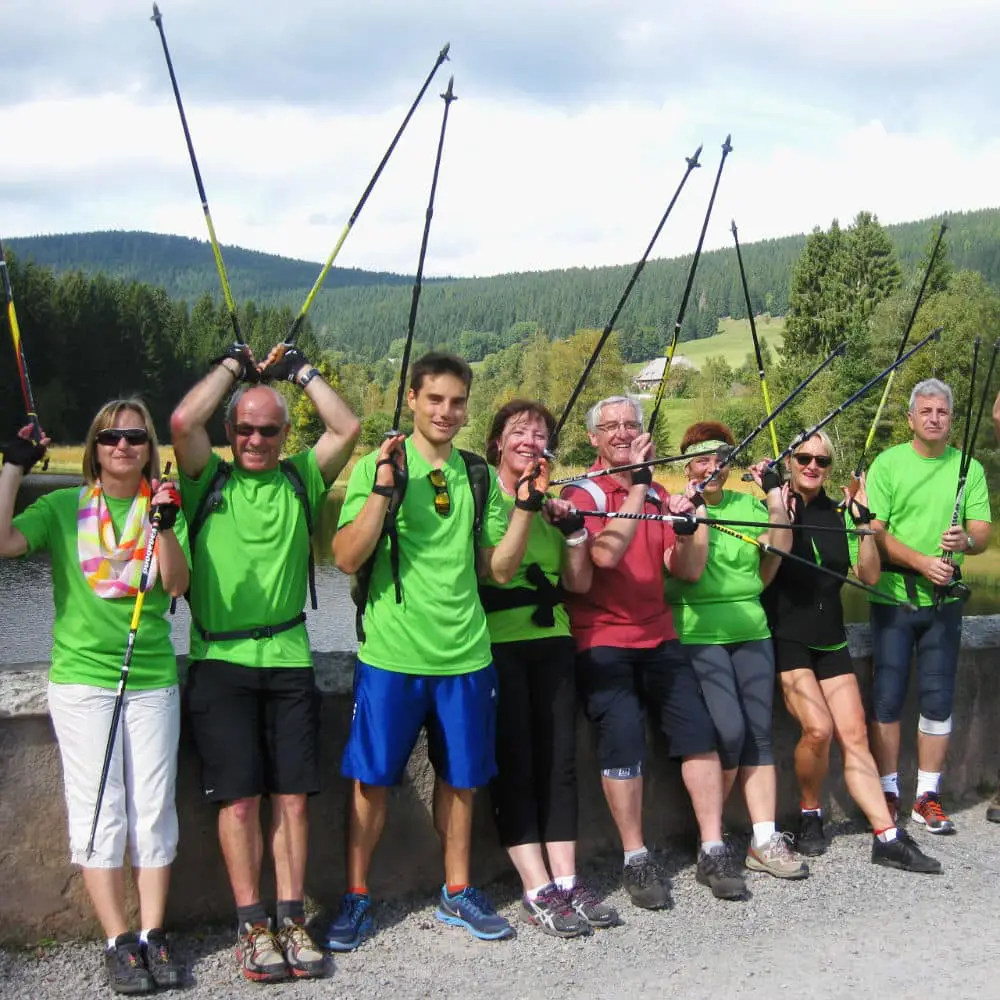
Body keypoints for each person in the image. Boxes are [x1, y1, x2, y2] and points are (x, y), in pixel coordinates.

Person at [328, 353, 546, 950]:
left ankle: (457, 891)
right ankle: (356, 896)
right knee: (371, 781)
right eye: (434, 400)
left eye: (456, 402)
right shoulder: (381, 465)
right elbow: (346, 556)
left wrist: (526, 507)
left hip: (466, 657)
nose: (446, 412)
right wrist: (381, 490)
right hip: (392, 656)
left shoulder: (475, 475)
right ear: (415, 401)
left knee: (462, 779)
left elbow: (497, 570)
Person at [169, 341, 360, 982]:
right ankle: (252, 924)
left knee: (295, 801)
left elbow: (347, 427)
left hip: (287, 656)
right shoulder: (205, 479)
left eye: (268, 429)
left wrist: (297, 370)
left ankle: (291, 917)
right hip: (219, 660)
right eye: (245, 428)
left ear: (283, 434)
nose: (255, 439)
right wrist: (231, 365)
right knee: (241, 803)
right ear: (231, 431)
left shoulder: (300, 477)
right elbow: (180, 424)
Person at [0, 401, 188, 996]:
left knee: (153, 809)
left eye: (136, 436)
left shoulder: (162, 507)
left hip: (151, 678)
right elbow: (3, 542)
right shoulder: (63, 506)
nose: (123, 445)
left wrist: (164, 524)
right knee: (98, 811)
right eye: (111, 436)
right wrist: (13, 467)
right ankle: (117, 940)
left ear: (150, 447)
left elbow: (178, 584)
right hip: (82, 683)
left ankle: (154, 934)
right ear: (94, 446)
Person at [560, 396, 747, 909]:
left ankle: (712, 847)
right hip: (601, 639)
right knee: (621, 740)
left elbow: (682, 568)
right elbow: (602, 555)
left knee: (699, 735)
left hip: (659, 635)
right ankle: (635, 857)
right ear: (594, 439)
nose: (622, 432)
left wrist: (690, 529)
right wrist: (640, 487)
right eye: (610, 426)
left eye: (631, 424)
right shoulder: (584, 492)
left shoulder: (662, 493)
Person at [761, 430, 940, 873]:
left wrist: (863, 523)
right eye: (804, 458)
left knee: (855, 736)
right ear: (790, 461)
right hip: (788, 636)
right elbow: (765, 570)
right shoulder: (774, 507)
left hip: (831, 637)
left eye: (822, 461)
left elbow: (870, 576)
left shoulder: (836, 512)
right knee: (818, 729)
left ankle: (888, 836)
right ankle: (809, 813)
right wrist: (776, 505)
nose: (812, 467)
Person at [480, 399, 616, 938]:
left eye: (539, 434)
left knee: (559, 762)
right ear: (497, 443)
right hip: (498, 643)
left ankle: (567, 878)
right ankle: (535, 887)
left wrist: (576, 531)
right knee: (516, 761)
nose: (529, 441)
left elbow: (579, 584)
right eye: (518, 431)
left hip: (553, 637)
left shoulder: (554, 501)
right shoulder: (483, 494)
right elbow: (497, 570)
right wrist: (524, 507)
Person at [666, 421, 807, 880]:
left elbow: (778, 552)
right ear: (687, 465)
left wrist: (772, 497)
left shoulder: (747, 506)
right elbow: (690, 571)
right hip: (698, 632)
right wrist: (696, 516)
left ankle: (763, 839)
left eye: (720, 459)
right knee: (727, 730)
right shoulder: (677, 508)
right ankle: (712, 836)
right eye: (702, 459)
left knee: (758, 733)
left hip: (752, 630)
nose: (712, 467)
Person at [866, 378, 991, 834]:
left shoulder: (968, 468)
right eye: (926, 412)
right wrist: (920, 560)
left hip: (944, 601)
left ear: (951, 419)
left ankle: (927, 796)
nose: (934, 419)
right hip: (894, 596)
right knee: (888, 697)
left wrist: (966, 541)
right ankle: (887, 789)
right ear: (911, 419)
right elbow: (874, 531)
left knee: (938, 699)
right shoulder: (888, 464)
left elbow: (981, 531)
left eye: (942, 412)